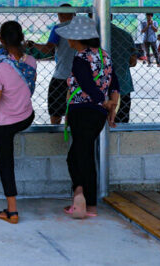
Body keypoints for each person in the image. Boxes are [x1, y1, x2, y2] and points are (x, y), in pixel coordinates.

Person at [56, 16, 120, 220]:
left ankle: (83, 198)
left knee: (79, 157)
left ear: (77, 39)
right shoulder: (104, 55)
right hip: (98, 114)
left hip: (82, 111)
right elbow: (114, 82)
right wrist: (111, 107)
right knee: (82, 154)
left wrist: (103, 100)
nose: (68, 41)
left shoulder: (80, 58)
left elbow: (86, 84)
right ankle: (82, 197)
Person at [0, 21, 37, 224]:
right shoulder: (32, 61)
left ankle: (12, 211)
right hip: (26, 117)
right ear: (22, 37)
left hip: (6, 123)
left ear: (1, 40)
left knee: (6, 163)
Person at [26, 4, 74, 125]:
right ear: (74, 14)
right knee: (73, 111)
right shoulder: (83, 28)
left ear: (60, 15)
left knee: (56, 111)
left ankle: (56, 133)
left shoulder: (58, 28)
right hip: (79, 77)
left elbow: (48, 49)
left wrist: (33, 44)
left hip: (62, 75)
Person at [110, 19, 138, 124]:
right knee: (121, 124)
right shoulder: (125, 35)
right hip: (123, 86)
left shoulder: (90, 37)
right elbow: (133, 62)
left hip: (97, 89)